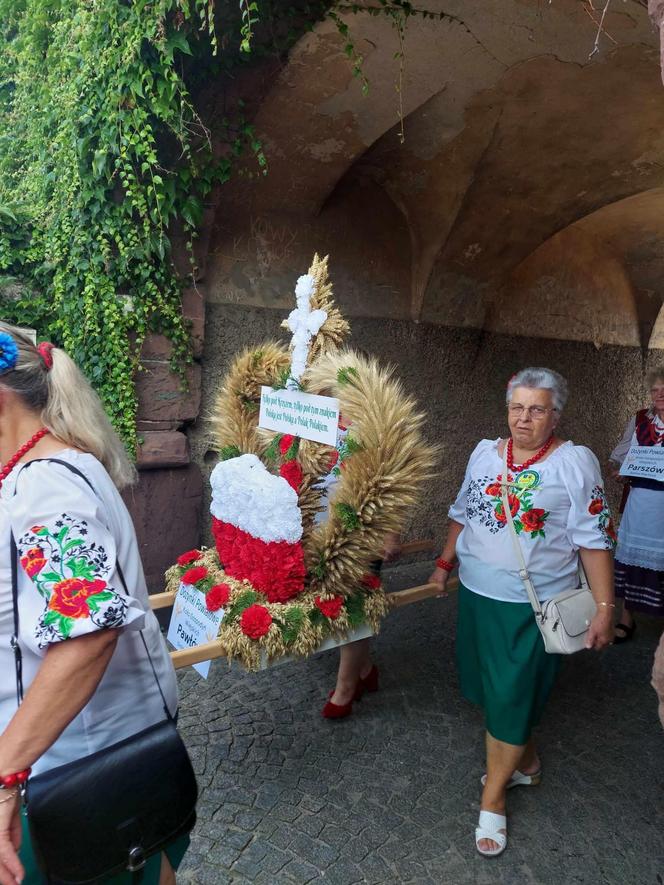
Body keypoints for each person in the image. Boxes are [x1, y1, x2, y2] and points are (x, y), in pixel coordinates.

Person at [0, 324, 186, 885]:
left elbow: (86, 635)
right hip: (99, 752)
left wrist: (4, 776)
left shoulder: (42, 489)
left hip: (76, 766)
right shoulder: (59, 465)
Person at [429, 367, 615, 858]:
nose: (524, 418)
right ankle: (526, 763)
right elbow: (463, 511)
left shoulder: (573, 465)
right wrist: (444, 564)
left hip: (531, 609)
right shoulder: (484, 453)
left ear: (555, 415)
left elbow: (594, 541)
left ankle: (493, 798)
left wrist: (604, 608)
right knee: (488, 689)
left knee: (510, 696)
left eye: (537, 409)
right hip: (477, 596)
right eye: (517, 407)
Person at [315, 411, 400, 719]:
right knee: (333, 605)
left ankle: (345, 689)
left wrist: (390, 533)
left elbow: (392, 477)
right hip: (317, 527)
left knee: (354, 608)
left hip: (362, 531)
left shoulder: (374, 415)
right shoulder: (308, 411)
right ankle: (364, 670)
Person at [607, 366, 664, 643]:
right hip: (640, 503)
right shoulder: (641, 419)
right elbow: (621, 456)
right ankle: (626, 619)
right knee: (633, 561)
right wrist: (619, 472)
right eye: (655, 390)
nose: (660, 395)